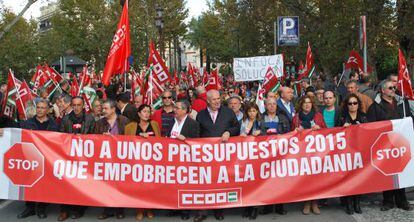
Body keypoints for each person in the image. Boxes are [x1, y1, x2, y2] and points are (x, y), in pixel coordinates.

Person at [367, 80, 412, 211]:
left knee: (401, 171)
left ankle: (402, 200)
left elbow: (409, 119)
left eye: (394, 87)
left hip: (401, 143)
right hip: (384, 145)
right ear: (383, 90)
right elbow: (372, 126)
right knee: (387, 173)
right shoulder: (375, 106)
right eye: (390, 87)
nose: (393, 89)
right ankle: (388, 201)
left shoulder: (402, 103)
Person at [195, 89, 240, 222]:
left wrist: (228, 132)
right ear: (208, 101)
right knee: (205, 183)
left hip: (223, 154)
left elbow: (236, 127)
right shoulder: (201, 115)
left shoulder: (228, 112)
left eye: (218, 98)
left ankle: (219, 210)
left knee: (220, 182)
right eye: (214, 99)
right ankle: (202, 211)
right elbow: (197, 134)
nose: (217, 101)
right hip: (206, 155)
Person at [16, 99, 58, 219]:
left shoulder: (53, 124)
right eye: (38, 107)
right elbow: (16, 132)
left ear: (48, 110)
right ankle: (29, 208)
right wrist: (4, 131)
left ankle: (41, 208)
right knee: (29, 183)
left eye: (42, 108)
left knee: (44, 184)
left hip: (47, 158)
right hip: (31, 158)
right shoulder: (27, 123)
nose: (39, 110)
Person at [58, 96, 95, 221]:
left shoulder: (90, 119)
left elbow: (95, 138)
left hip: (84, 156)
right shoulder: (66, 119)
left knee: (81, 184)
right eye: (74, 105)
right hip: (68, 155)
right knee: (66, 183)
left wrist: (84, 139)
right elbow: (60, 136)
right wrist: (70, 139)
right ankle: (64, 210)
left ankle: (79, 209)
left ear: (83, 105)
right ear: (71, 105)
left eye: (79, 105)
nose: (76, 107)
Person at [94, 100, 129, 220]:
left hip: (120, 157)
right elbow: (93, 138)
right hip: (104, 158)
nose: (103, 111)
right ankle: (107, 209)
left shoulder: (124, 121)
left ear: (113, 109)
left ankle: (120, 209)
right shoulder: (99, 123)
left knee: (119, 184)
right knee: (105, 185)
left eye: (105, 108)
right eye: (102, 108)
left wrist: (113, 138)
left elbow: (129, 139)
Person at [125, 104, 160, 221]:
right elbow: (125, 143)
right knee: (138, 187)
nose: (147, 114)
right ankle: (139, 208)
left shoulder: (154, 125)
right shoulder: (130, 127)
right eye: (144, 111)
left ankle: (149, 208)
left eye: (148, 111)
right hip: (136, 161)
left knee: (150, 186)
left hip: (151, 161)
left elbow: (160, 142)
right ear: (139, 113)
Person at [292, 95, 326, 215]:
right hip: (302, 152)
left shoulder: (318, 116)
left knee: (316, 178)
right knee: (305, 178)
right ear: (301, 105)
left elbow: (326, 132)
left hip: (316, 151)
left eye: (309, 103)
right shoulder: (296, 118)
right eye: (304, 103)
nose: (307, 105)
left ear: (312, 104)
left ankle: (315, 202)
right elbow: (291, 135)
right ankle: (306, 202)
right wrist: (296, 131)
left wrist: (319, 128)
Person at [167, 99, 200, 220]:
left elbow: (197, 141)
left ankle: (185, 209)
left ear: (185, 110)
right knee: (173, 184)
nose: (174, 110)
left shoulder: (193, 124)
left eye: (177, 108)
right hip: (172, 159)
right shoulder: (172, 122)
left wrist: (186, 139)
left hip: (186, 160)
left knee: (185, 185)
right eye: (174, 107)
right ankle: (175, 207)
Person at [338, 94, 368, 215]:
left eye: (355, 103)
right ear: (347, 105)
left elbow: (370, 131)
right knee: (349, 179)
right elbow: (335, 134)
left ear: (358, 104)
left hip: (360, 151)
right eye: (350, 103)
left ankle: (357, 203)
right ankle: (349, 203)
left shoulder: (363, 117)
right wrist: (342, 128)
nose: (352, 105)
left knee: (359, 178)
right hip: (347, 152)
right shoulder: (342, 117)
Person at [239, 103, 265, 220]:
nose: (252, 113)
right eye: (249, 111)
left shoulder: (261, 122)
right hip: (245, 156)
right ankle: (247, 206)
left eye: (254, 111)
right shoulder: (242, 122)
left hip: (258, 156)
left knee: (255, 182)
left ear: (257, 112)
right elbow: (237, 136)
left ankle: (254, 208)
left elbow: (268, 136)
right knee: (246, 182)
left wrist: (260, 133)